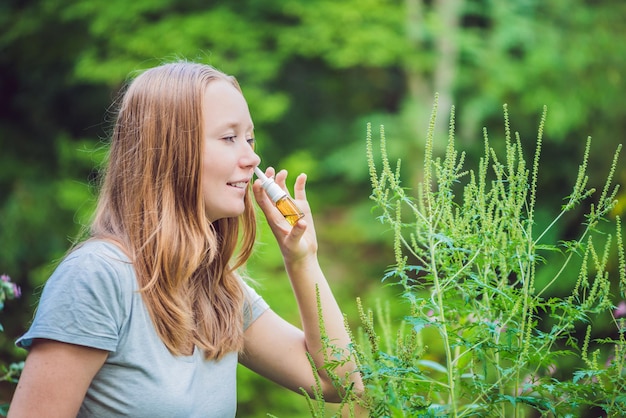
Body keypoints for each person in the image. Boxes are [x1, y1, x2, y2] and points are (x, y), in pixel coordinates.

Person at [8, 61, 363, 417]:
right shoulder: (95, 278)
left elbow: (340, 384)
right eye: (229, 138)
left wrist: (303, 259)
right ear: (171, 150)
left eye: (250, 138)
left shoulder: (219, 291)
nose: (252, 156)